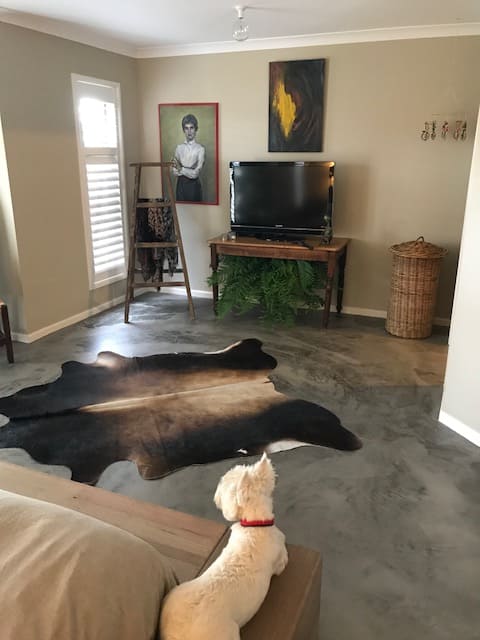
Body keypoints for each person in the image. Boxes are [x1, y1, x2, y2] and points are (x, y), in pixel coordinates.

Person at [172, 114, 205, 202]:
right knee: (181, 209)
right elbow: (174, 171)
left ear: (196, 129)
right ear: (183, 130)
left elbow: (195, 173)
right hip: (180, 186)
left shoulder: (200, 149)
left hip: (194, 187)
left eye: (191, 128)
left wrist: (181, 169)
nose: (189, 131)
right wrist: (186, 171)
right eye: (186, 128)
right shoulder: (179, 148)